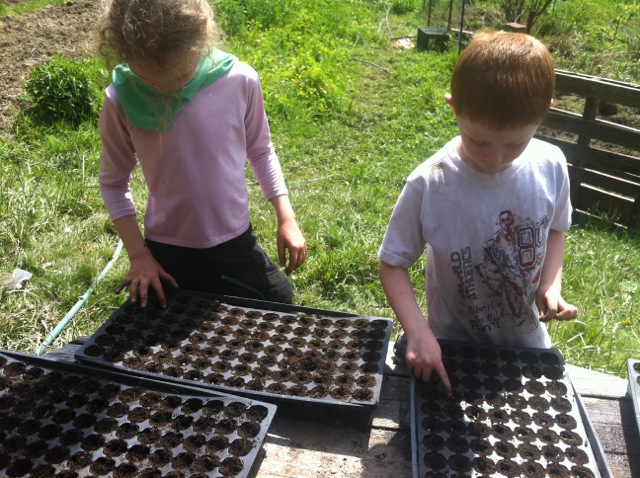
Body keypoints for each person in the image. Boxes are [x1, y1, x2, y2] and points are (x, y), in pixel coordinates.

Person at [378, 29, 578, 395]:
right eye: (479, 140)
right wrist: (417, 331)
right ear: (453, 106)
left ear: (544, 112)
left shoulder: (551, 165)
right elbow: (393, 262)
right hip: (451, 347)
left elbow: (555, 229)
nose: (494, 158)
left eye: (515, 144)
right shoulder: (430, 183)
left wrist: (550, 284)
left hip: (526, 347)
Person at [96, 0, 307, 309]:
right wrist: (139, 256)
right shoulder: (119, 98)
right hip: (164, 252)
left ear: (199, 44)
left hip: (232, 241)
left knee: (281, 302)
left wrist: (286, 217)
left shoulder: (239, 80)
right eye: (151, 81)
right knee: (153, 331)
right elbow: (113, 183)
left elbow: (260, 150)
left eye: (179, 76)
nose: (167, 90)